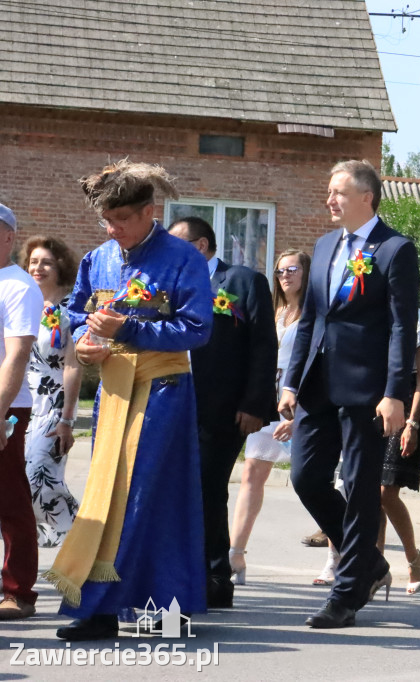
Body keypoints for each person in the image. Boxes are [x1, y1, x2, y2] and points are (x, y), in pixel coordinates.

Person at [46, 160, 213, 640]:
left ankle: (166, 610)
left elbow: (199, 328)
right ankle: (98, 608)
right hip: (114, 391)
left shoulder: (183, 258)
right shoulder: (99, 259)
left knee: (151, 497)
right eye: (107, 222)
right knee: (106, 496)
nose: (114, 230)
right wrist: (82, 342)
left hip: (164, 392)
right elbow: (74, 314)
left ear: (149, 212)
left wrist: (131, 328)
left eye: (122, 220)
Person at [279, 159, 419, 629]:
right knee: (306, 477)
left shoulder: (395, 250)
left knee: (360, 489)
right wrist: (291, 381)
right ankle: (370, 565)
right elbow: (311, 320)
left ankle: (347, 592)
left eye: (339, 191)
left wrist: (395, 392)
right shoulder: (323, 246)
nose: (330, 199)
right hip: (319, 387)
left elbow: (403, 326)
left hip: (368, 392)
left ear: (366, 197)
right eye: (329, 190)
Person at [168, 217, 278, 609]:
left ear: (200, 246)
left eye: (176, 243)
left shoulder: (243, 281)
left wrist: (254, 404)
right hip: (175, 404)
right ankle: (205, 574)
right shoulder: (172, 286)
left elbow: (264, 347)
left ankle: (214, 575)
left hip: (224, 408)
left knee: (209, 488)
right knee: (191, 490)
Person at [228, 249, 310, 586]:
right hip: (269, 402)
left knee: (313, 483)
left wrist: (302, 412)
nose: (285, 276)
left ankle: (337, 555)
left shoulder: (313, 315)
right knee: (251, 474)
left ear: (306, 273)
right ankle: (236, 554)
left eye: (292, 269)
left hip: (301, 406)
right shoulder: (273, 312)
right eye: (279, 271)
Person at [21, 236, 82, 548]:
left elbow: (74, 366)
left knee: (38, 480)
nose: (38, 267)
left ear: (61, 265)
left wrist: (68, 420)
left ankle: (87, 534)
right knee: (17, 485)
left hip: (54, 406)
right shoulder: (22, 302)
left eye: (45, 261)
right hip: (19, 405)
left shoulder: (73, 309)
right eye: (33, 262)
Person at [0, 203, 45, 622]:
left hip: (6, 404)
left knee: (9, 498)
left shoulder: (17, 285)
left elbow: (16, 355)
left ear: (9, 237)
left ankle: (18, 591)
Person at [380, 307, 420, 594]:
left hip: (405, 411)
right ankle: (375, 569)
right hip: (374, 405)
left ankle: (413, 558)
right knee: (369, 492)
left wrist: (412, 424)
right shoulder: (374, 313)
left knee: (385, 492)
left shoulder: (419, 322)